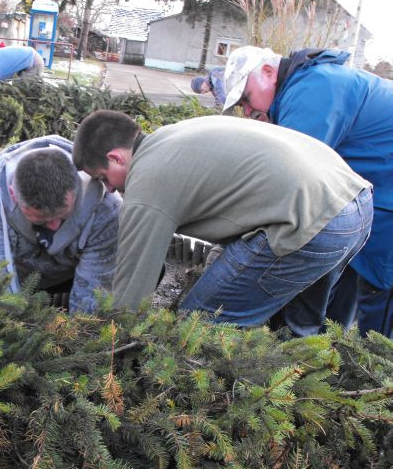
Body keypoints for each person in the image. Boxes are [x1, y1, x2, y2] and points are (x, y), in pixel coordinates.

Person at [73, 110, 373, 336]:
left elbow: (131, 290)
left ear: (116, 158)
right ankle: (299, 399)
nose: (110, 190)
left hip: (312, 223)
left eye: (102, 178)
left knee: (199, 323)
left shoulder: (146, 182)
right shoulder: (172, 137)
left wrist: (111, 347)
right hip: (353, 201)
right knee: (296, 328)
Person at [221, 45, 393, 337]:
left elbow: (291, 178)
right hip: (368, 193)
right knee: (346, 277)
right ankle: (327, 356)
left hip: (386, 196)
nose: (248, 111)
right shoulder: (309, 82)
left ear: (267, 72)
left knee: (378, 293)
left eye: (247, 99)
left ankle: (375, 374)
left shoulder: (313, 88)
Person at [0, 135, 122, 314]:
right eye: (43, 219)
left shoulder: (107, 206)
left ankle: (55, 302)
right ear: (14, 195)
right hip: (17, 269)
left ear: (76, 189)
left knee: (140, 259)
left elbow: (93, 294)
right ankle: (45, 304)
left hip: (70, 274)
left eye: (62, 216)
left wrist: (78, 333)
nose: (55, 227)